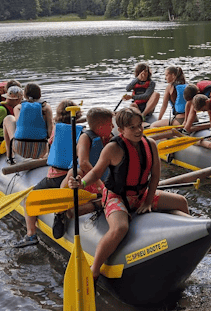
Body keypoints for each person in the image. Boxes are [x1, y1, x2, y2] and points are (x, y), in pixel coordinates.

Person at [68, 107, 189, 280]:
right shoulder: (112, 148)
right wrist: (82, 183)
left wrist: (148, 201)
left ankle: (200, 240)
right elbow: (95, 172)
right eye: (132, 127)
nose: (139, 130)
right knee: (120, 227)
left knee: (181, 202)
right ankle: (95, 268)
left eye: (140, 125)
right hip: (115, 197)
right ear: (121, 130)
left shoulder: (151, 144)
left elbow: (155, 175)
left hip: (141, 195)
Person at [13, 99, 84, 247]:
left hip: (55, 178)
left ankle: (31, 234)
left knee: (29, 200)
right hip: (73, 177)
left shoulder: (57, 129)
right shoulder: (81, 133)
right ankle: (60, 212)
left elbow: (50, 149)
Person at [52, 107, 115, 239]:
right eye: (110, 124)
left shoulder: (109, 138)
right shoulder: (86, 138)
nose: (113, 126)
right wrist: (99, 183)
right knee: (74, 172)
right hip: (83, 179)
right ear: (99, 126)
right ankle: (59, 212)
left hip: (101, 180)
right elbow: (84, 162)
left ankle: (95, 204)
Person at [2, 83, 53, 164]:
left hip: (19, 149)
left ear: (24, 95)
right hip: (41, 150)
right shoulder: (46, 108)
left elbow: (20, 125)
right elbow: (50, 133)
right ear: (39, 95)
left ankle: (10, 156)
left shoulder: (18, 107)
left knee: (8, 118)